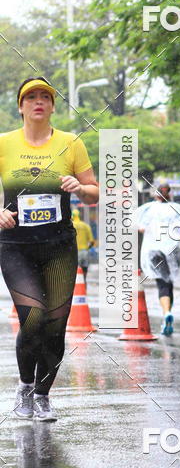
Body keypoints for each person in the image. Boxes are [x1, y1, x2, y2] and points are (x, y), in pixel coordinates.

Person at [0, 77, 99, 421]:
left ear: (53, 106)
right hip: (16, 247)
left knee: (56, 324)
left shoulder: (71, 143)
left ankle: (42, 395)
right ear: (21, 106)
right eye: (31, 97)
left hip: (59, 246)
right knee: (34, 317)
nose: (38, 102)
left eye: (45, 97)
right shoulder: (4, 143)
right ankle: (25, 388)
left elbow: (95, 191)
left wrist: (81, 188)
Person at [135, 184, 180, 336]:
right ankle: (167, 315)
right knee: (169, 283)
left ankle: (166, 313)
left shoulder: (148, 209)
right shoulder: (179, 209)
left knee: (162, 283)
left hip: (155, 252)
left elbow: (138, 225)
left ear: (156, 195)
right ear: (170, 193)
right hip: (174, 251)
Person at [72, 208, 95, 282]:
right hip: (84, 251)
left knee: (74, 272)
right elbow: (91, 241)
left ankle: (76, 287)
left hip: (74, 253)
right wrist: (87, 248)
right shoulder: (86, 226)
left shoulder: (70, 226)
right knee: (84, 269)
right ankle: (83, 283)